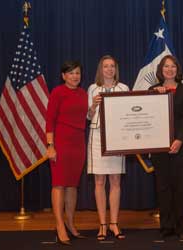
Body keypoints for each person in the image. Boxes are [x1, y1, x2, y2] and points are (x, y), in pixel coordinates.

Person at [149, 55, 183, 241]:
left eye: (173, 66)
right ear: (161, 70)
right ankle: (166, 226)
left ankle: (181, 226)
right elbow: (147, 118)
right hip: (159, 147)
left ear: (178, 69)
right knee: (163, 187)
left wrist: (179, 140)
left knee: (181, 186)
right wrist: (155, 96)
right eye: (166, 66)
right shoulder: (153, 90)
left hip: (182, 147)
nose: (169, 69)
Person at [46, 61, 88, 245]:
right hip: (60, 143)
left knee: (72, 185)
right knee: (59, 184)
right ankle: (59, 225)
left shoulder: (84, 93)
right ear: (63, 76)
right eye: (70, 73)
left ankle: (70, 223)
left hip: (78, 143)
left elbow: (89, 116)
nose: (75, 76)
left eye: (77, 73)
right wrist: (50, 145)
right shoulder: (57, 92)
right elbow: (49, 120)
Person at [87, 55, 129, 240]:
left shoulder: (124, 88)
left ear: (116, 69)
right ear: (100, 69)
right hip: (97, 136)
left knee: (115, 182)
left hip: (117, 138)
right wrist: (93, 106)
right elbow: (88, 116)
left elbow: (128, 114)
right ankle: (102, 224)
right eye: (106, 66)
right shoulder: (92, 88)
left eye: (112, 66)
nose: (109, 69)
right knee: (99, 182)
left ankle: (114, 223)